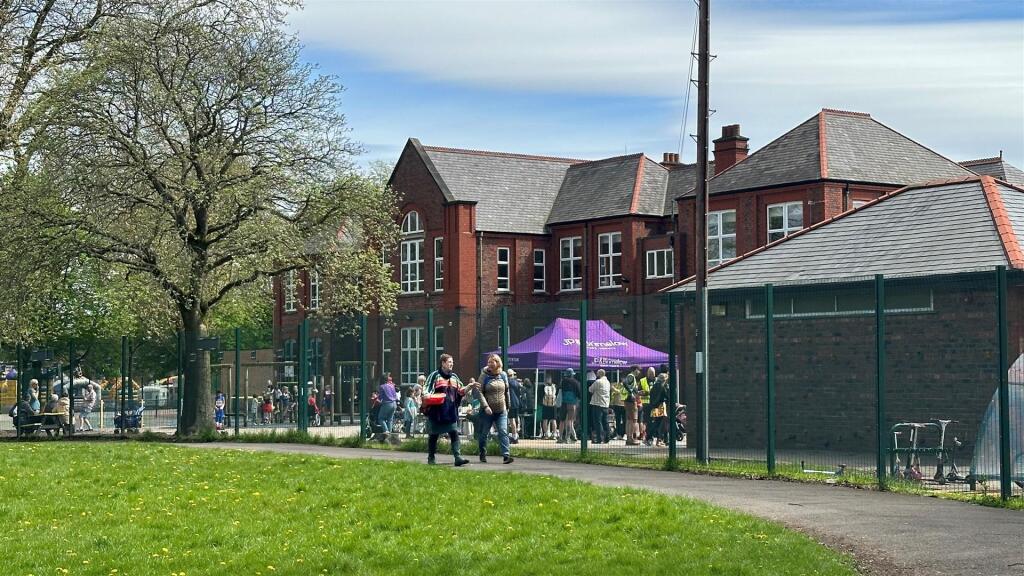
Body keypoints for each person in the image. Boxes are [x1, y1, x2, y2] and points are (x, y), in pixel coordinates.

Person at [422, 353, 470, 466]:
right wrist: (426, 395)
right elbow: (427, 388)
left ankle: (457, 457)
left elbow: (460, 390)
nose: (451, 364)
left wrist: (469, 387)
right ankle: (431, 458)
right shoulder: (435, 375)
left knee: (454, 432)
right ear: (443, 363)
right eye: (449, 362)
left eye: (452, 362)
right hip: (437, 411)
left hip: (450, 411)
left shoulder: (454, 377)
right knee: (434, 435)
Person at [474, 354, 514, 464]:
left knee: (503, 432)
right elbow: (479, 392)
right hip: (487, 411)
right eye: (489, 362)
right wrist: (485, 406)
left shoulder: (503, 375)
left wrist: (508, 406)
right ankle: (482, 453)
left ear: (498, 363)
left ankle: (506, 455)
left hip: (501, 410)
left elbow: (507, 391)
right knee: (484, 434)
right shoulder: (484, 375)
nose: (490, 364)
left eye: (493, 362)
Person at [646, 372, 669, 447]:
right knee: (659, 424)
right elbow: (666, 396)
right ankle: (657, 439)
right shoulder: (662, 387)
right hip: (660, 406)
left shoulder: (654, 386)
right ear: (664, 380)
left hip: (654, 406)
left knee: (656, 422)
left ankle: (651, 438)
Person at [589, 369, 611, 444]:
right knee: (605, 421)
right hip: (605, 404)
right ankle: (607, 437)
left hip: (597, 403)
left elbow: (590, 389)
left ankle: (599, 438)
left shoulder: (598, 382)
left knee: (598, 422)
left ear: (599, 374)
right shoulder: (608, 382)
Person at [558, 369, 580, 443]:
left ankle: (560, 437)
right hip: (572, 403)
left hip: (563, 403)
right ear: (572, 375)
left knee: (562, 421)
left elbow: (559, 391)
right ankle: (568, 438)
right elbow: (579, 394)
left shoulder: (562, 382)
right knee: (570, 421)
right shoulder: (576, 382)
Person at [623, 366, 641, 445]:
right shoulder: (631, 376)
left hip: (629, 401)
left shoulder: (631, 377)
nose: (639, 372)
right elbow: (625, 382)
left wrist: (637, 392)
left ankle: (629, 438)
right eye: (638, 370)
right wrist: (631, 392)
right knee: (633, 420)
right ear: (635, 370)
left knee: (629, 420)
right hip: (630, 401)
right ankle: (630, 439)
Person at [506, 368, 523, 444]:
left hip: (510, 403)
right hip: (516, 403)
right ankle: (516, 433)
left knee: (511, 420)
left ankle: (514, 436)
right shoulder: (516, 383)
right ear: (512, 375)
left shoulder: (507, 382)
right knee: (516, 418)